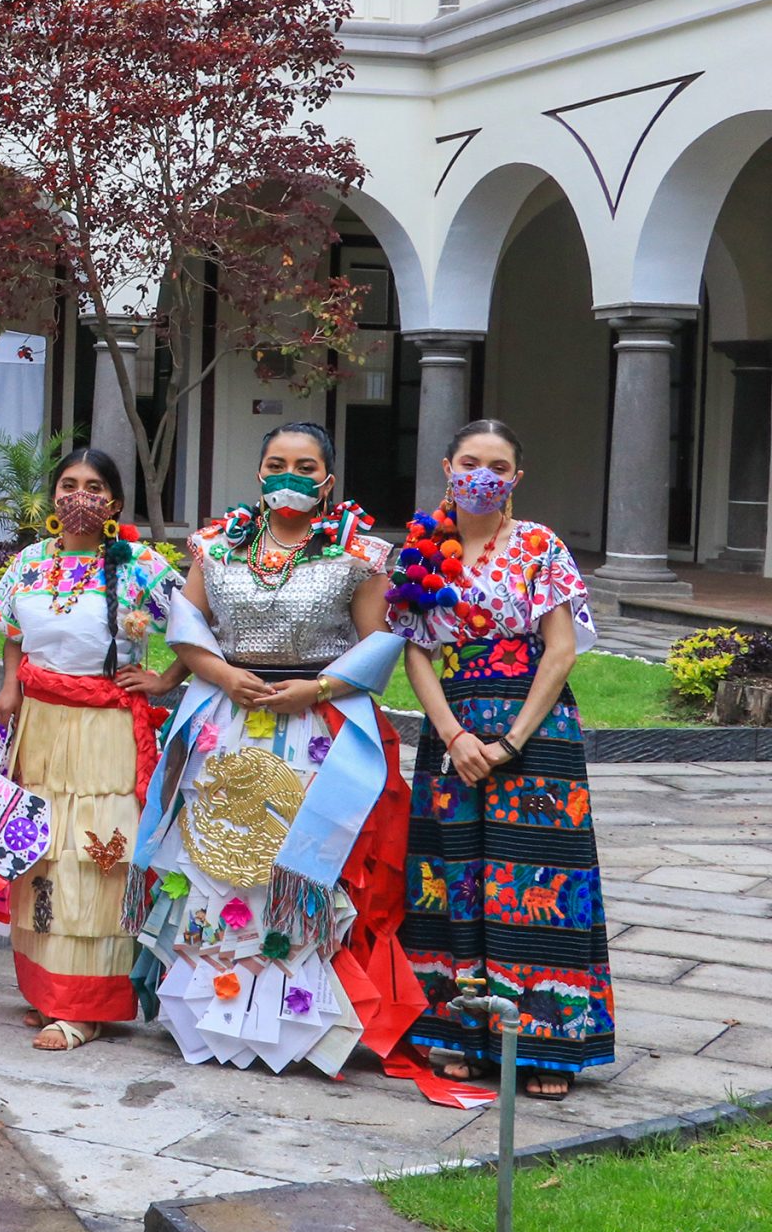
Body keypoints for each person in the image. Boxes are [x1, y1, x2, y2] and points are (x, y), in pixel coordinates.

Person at [133, 422, 421, 1075]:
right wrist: (217, 672)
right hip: (223, 721)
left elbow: (380, 640)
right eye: (275, 462)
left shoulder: (362, 555)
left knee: (297, 863)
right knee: (212, 859)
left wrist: (316, 686)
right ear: (260, 472)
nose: (288, 475)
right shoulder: (215, 545)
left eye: (304, 464)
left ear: (328, 479)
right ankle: (206, 1013)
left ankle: (299, 1021)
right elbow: (188, 624)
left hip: (317, 725)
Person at [388, 419, 613, 1100]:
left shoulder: (540, 546)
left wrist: (511, 739)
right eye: (470, 461)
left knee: (535, 881)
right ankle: (461, 1035)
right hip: (451, 729)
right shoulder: (422, 550)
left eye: (498, 464)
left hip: (535, 734)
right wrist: (454, 735)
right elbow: (416, 652)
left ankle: (546, 1044)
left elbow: (562, 649)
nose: (482, 474)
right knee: (453, 876)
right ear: (447, 466)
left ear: (517, 476)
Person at [0, 447, 182, 1051]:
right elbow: (14, 632)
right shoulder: (30, 562)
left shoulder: (141, 564)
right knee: (39, 853)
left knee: (96, 856)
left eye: (94, 486)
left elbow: (201, 628)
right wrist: (10, 684)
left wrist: (164, 680)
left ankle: (87, 1006)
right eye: (68, 484)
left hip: (106, 731)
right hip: (40, 726)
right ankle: (48, 991)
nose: (79, 496)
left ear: (115, 502)